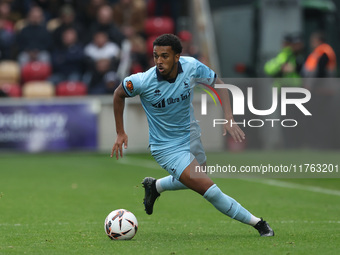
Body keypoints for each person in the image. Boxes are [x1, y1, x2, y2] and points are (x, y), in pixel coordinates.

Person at [111, 34, 274, 236]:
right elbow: (119, 93)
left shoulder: (192, 67)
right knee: (209, 189)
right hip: (166, 147)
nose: (159, 61)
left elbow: (219, 85)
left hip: (191, 135)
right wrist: (120, 132)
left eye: (164, 56)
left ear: (177, 56)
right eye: (155, 56)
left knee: (198, 176)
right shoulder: (143, 81)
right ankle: (259, 224)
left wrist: (229, 116)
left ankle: (155, 186)